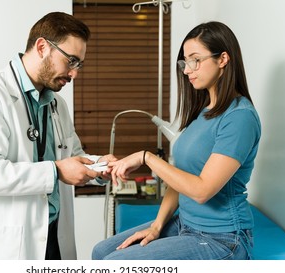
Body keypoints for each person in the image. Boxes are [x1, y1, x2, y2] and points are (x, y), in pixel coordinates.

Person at [0, 12, 116, 260]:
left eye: (79, 64)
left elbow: (72, 155)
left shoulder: (57, 103)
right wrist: (56, 171)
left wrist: (100, 166)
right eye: (71, 61)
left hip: (52, 237)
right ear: (42, 47)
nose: (74, 74)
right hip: (5, 245)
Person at [92, 21, 261, 260]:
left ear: (223, 59)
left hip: (223, 239)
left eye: (195, 60)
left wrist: (146, 157)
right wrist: (157, 226)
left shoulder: (240, 118)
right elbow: (180, 178)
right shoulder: (204, 112)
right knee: (100, 252)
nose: (186, 69)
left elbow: (202, 191)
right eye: (184, 61)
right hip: (185, 224)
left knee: (114, 263)